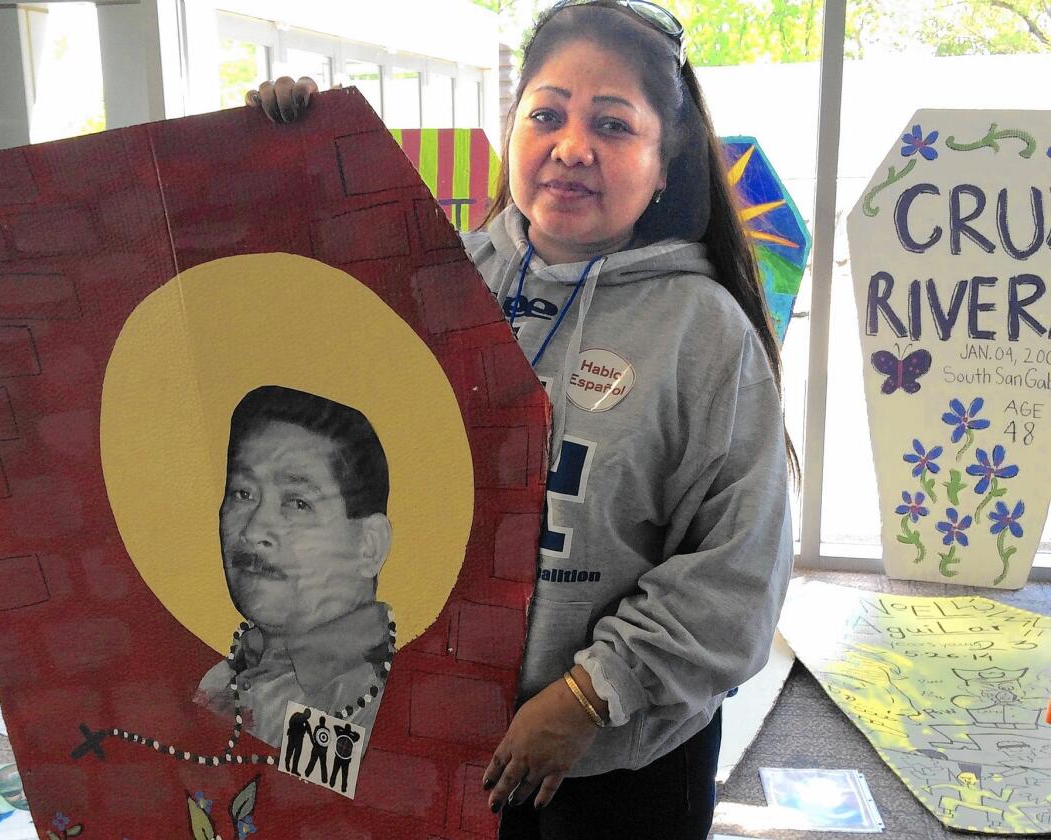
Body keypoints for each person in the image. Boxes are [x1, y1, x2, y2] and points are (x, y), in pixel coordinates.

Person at [252, 1, 795, 836]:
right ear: (512, 128)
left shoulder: (705, 334)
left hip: (618, 760)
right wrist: (276, 157)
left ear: (665, 159)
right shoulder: (444, 277)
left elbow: (737, 573)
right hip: (442, 736)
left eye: (613, 125)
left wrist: (588, 695)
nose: (572, 147)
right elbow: (301, 361)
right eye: (547, 114)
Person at [194, 385, 395, 749]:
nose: (254, 531)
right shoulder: (221, 679)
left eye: (298, 503)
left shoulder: (363, 706)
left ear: (369, 545)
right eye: (243, 493)